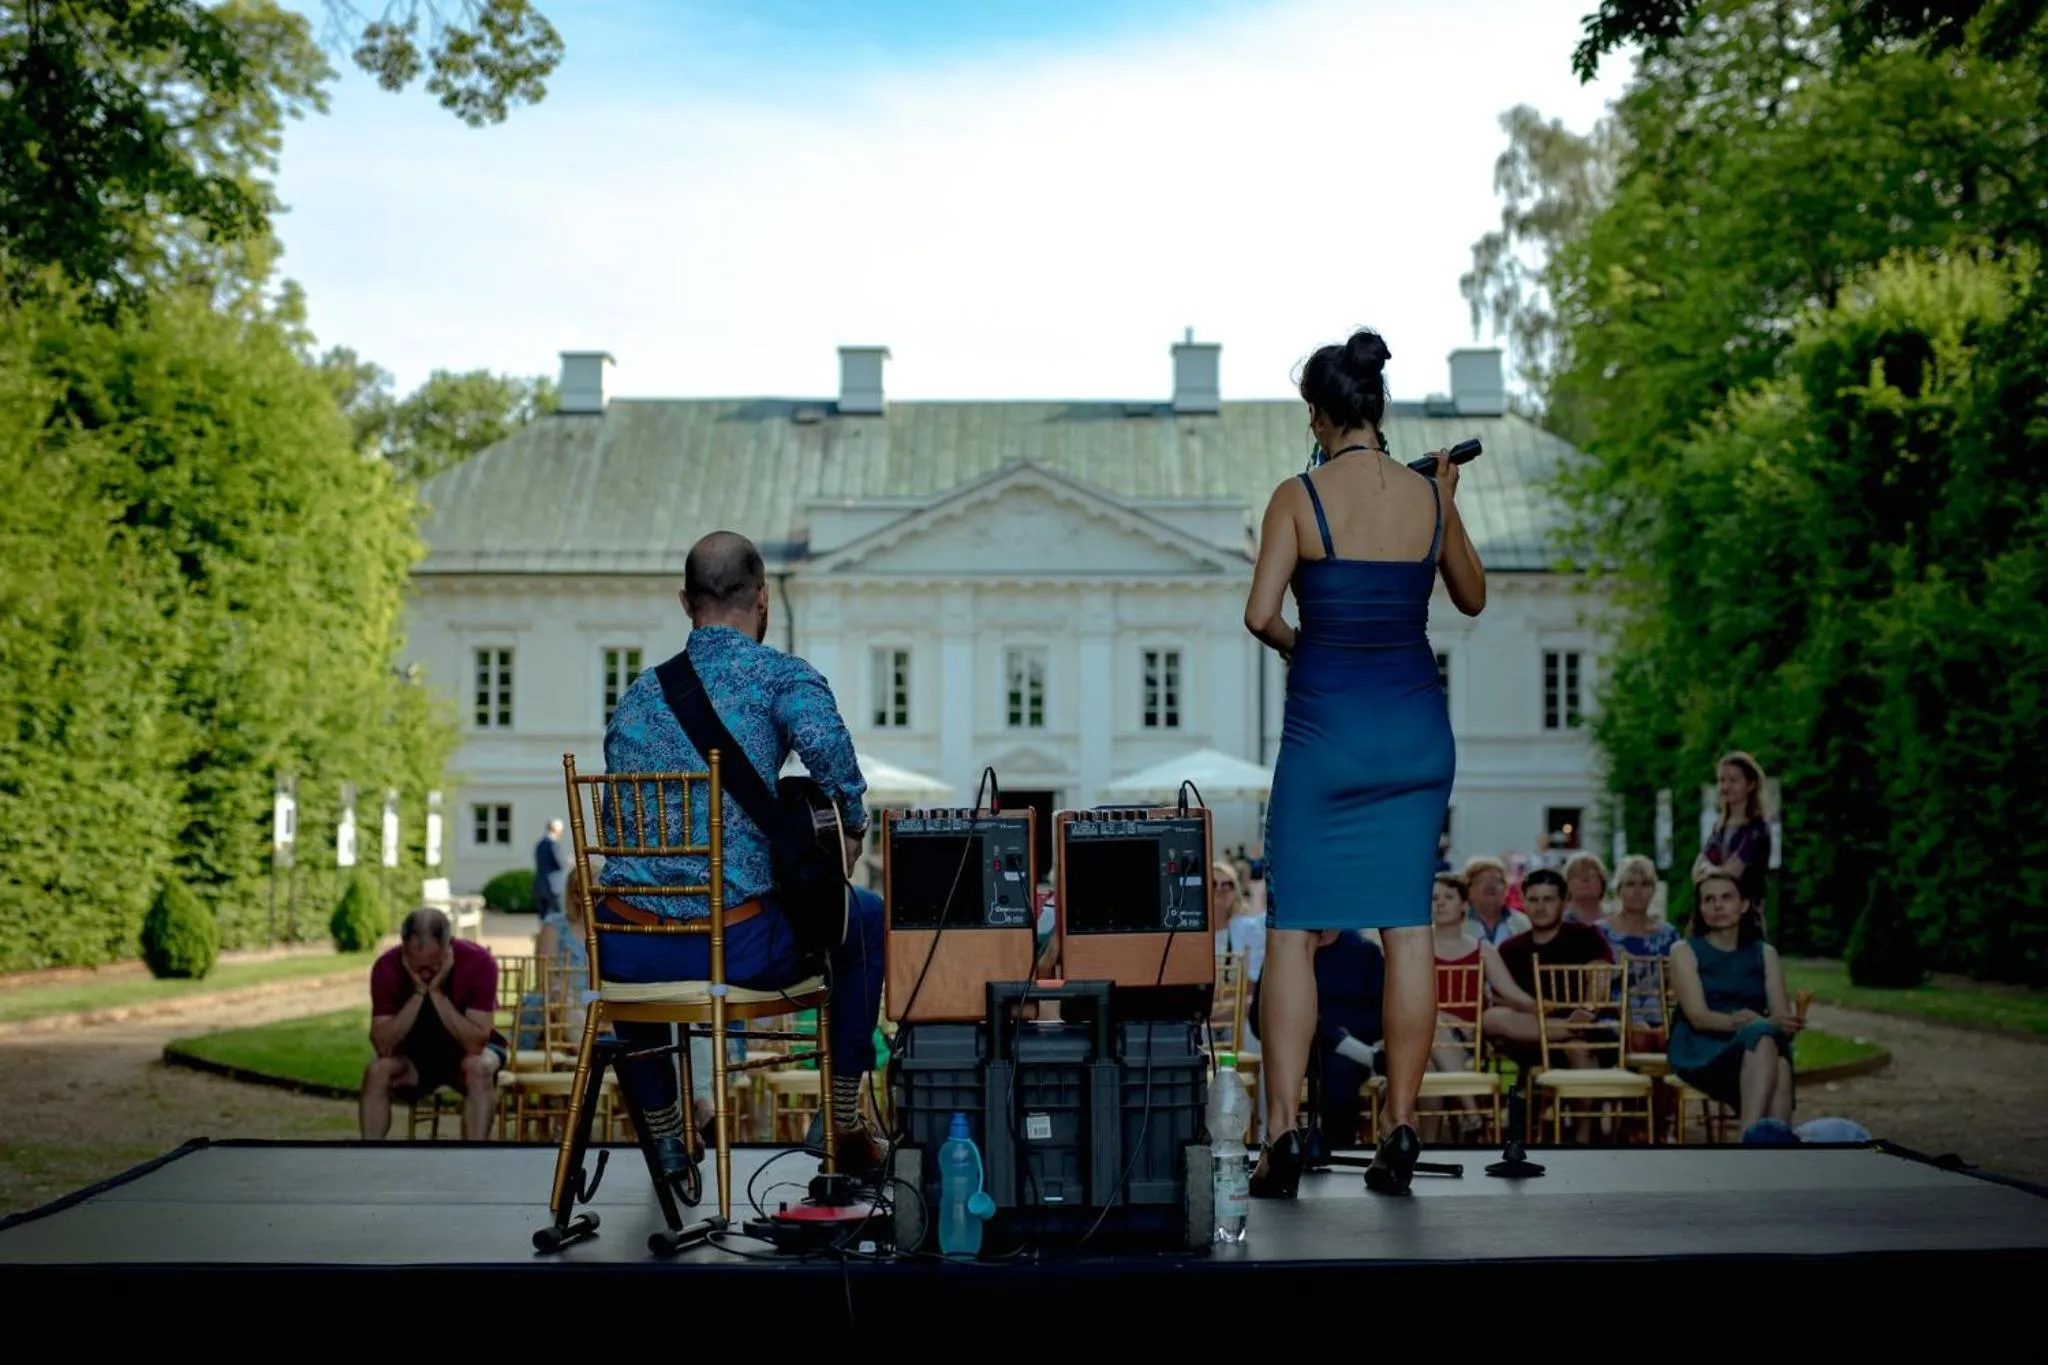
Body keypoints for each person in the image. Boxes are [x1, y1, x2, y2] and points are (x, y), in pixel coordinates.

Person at [1242, 326, 1487, 1197]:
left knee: (1292, 929)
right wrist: (1445, 503)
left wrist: (1302, 644)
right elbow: (1472, 595)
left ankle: (1279, 1133)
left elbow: (1260, 613)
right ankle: (1402, 1126)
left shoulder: (1297, 498)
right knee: (1407, 925)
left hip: (1327, 736)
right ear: (1378, 407)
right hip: (1417, 735)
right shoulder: (1426, 498)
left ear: (1317, 412)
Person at [595, 531, 887, 1183]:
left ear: (685, 602)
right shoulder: (780, 675)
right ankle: (841, 1119)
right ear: (762, 601)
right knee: (864, 917)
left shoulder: (639, 695)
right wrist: (852, 824)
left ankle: (669, 1133)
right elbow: (828, 751)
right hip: (734, 944)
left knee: (637, 942)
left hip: (626, 949)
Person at [1667, 867, 1801, 1131]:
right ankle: (1750, 1144)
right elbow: (1699, 1018)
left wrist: (1781, 1024)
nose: (1718, 906)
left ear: (1743, 905)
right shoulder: (1683, 951)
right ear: (1701, 908)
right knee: (1767, 1045)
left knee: (1779, 1061)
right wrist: (1753, 1024)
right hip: (1700, 1047)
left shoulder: (1765, 953)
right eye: (1709, 899)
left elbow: (1780, 1020)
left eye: (1726, 897)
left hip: (1756, 1045)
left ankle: (1771, 1150)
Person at [360, 907, 508, 1141]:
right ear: (403, 948)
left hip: (469, 1053)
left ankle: (475, 1156)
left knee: (477, 1068)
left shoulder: (479, 962)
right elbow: (383, 1046)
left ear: (449, 946)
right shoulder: (386, 967)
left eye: (433, 964)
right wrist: (420, 992)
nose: (425, 973)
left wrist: (437, 993)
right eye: (416, 965)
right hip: (413, 1056)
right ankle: (368, 1154)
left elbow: (475, 1045)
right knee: (377, 1071)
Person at [1248, 929, 1385, 1158]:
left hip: (1345, 1060)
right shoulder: (1283, 955)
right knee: (1304, 1020)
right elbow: (1258, 1021)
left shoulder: (1365, 953)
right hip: (1294, 1052)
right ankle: (1342, 1041)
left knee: (1340, 1073)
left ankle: (1338, 1153)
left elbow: (1379, 1019)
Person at [1691, 751, 1772, 925]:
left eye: (1733, 781)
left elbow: (1733, 872)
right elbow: (1698, 869)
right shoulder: (1719, 827)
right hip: (1712, 918)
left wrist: (1710, 872)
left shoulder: (1757, 829)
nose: (1726, 786)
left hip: (1745, 918)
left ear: (1750, 785)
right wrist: (1711, 871)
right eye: (1722, 780)